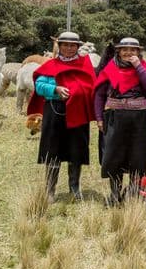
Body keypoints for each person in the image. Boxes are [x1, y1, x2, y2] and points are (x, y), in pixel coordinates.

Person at [28, 31, 96, 202]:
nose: (68, 48)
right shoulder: (51, 65)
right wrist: (55, 90)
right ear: (59, 46)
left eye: (72, 45)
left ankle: (74, 187)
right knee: (53, 150)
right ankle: (50, 190)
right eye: (65, 45)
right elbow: (39, 85)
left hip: (78, 112)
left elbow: (91, 86)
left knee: (76, 150)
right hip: (54, 110)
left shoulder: (84, 65)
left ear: (78, 47)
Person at [94, 38, 146, 205]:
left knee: (138, 155)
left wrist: (138, 66)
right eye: (125, 49)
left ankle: (133, 193)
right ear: (118, 51)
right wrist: (99, 118)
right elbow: (100, 95)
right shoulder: (110, 69)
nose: (128, 53)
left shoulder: (143, 68)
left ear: (138, 52)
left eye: (133, 50)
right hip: (115, 117)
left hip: (140, 118)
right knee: (114, 155)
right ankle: (115, 194)